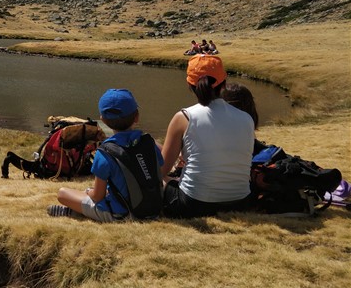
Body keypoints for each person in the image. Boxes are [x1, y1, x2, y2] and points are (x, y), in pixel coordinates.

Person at [47, 89, 163, 222]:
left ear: (103, 120)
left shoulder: (105, 152)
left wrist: (88, 192)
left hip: (122, 215)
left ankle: (71, 211)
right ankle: (75, 211)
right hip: (154, 209)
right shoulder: (148, 142)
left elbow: (97, 196)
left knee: (63, 193)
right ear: (136, 116)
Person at [161, 55, 255, 218]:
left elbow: (161, 169)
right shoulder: (246, 118)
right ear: (224, 84)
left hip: (194, 204)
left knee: (157, 179)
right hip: (241, 202)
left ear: (190, 84)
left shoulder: (184, 117)